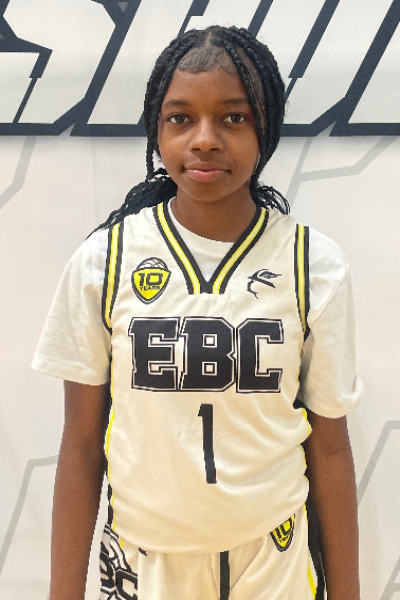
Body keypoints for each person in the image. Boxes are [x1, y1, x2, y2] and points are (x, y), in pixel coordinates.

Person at [32, 25, 363, 600]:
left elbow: (329, 446)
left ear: (266, 128)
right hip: (144, 559)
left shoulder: (313, 264)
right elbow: (81, 445)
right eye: (180, 118)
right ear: (157, 131)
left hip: (273, 559)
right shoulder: (104, 262)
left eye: (233, 117)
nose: (204, 140)